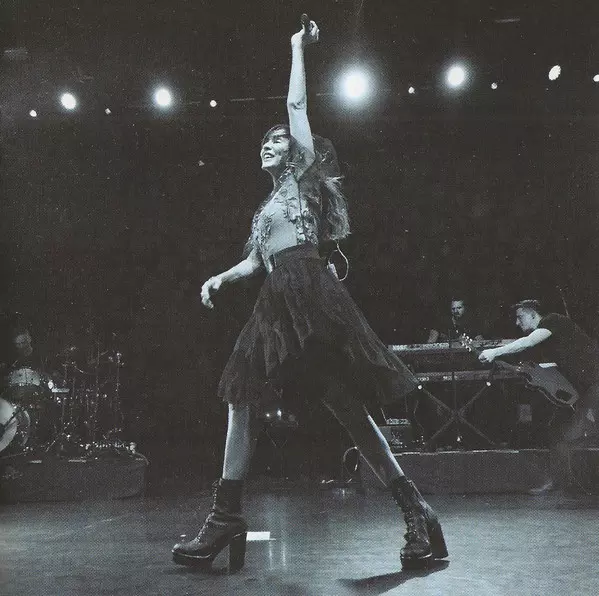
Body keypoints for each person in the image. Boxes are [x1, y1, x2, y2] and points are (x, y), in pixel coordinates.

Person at [172, 17, 448, 572]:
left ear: (297, 151)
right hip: (276, 300)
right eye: (264, 142)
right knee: (241, 394)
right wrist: (221, 277)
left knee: (348, 408)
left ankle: (417, 511)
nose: (268, 144)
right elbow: (258, 260)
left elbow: (296, 106)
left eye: (277, 140)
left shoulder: (303, 180)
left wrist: (297, 47)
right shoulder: (266, 207)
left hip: (310, 293)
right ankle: (225, 516)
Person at [479, 299, 599, 492]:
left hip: (594, 383)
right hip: (584, 387)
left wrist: (495, 352)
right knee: (559, 431)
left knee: (576, 432)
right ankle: (561, 482)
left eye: (520, 317)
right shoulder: (547, 341)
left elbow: (527, 342)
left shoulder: (552, 320)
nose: (517, 323)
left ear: (533, 314)